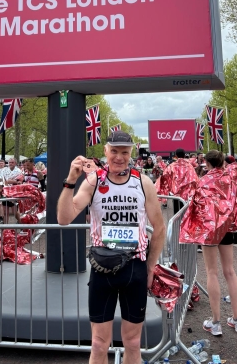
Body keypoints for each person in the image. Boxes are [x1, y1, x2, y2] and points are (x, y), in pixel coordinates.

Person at [57, 131, 166, 364]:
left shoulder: (143, 182)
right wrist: (70, 181)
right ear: (105, 151)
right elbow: (64, 218)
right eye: (114, 151)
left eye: (124, 152)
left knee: (134, 343)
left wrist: (151, 267)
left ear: (131, 153)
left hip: (134, 268)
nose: (119, 157)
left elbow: (159, 228)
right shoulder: (94, 181)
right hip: (102, 268)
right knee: (98, 344)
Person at [180, 150, 237, 336]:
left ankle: (216, 321)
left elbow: (195, 204)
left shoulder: (203, 181)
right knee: (230, 271)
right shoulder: (231, 177)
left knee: (212, 272)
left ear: (206, 164)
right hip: (226, 227)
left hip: (209, 229)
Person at [156, 148, 198, 214]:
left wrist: (159, 187)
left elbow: (164, 176)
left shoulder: (172, 166)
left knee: (177, 214)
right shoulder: (189, 166)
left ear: (176, 155)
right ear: (184, 155)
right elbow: (195, 179)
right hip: (187, 194)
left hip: (176, 194)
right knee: (185, 214)